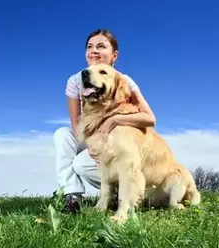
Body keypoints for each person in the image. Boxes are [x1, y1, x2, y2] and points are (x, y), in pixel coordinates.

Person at [53, 29, 156, 213]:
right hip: (92, 136)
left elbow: (149, 118)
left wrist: (114, 120)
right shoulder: (76, 80)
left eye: (101, 46)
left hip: (116, 140)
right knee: (62, 135)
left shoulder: (122, 80)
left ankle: (123, 194)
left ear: (114, 55)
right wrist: (91, 145)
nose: (94, 50)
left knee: (81, 165)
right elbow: (76, 122)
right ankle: (72, 195)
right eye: (90, 47)